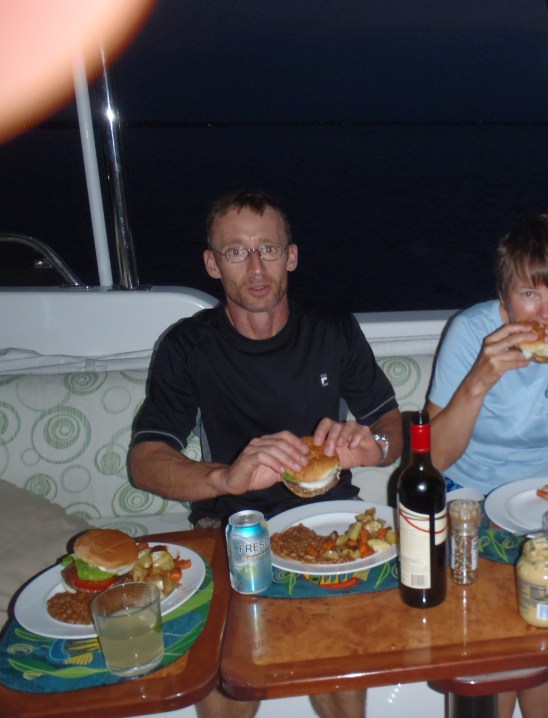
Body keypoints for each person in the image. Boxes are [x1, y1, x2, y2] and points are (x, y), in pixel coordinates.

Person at [129, 189, 402, 718]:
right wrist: (226, 477)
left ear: (291, 256)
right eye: (236, 252)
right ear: (212, 264)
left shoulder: (332, 330)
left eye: (269, 250)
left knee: (338, 666)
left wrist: (376, 449)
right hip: (231, 526)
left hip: (330, 521)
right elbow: (145, 462)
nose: (256, 268)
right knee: (229, 680)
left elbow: (391, 426)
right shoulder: (188, 346)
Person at [426, 213, 548, 718]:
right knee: (494, 647)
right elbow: (434, 458)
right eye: (530, 294)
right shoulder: (471, 332)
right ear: (504, 296)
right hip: (467, 503)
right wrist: (479, 378)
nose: (547, 314)